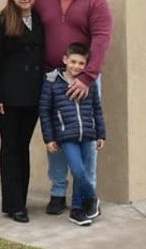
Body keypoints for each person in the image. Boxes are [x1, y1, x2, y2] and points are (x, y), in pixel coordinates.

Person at [34, 0, 112, 216]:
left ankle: (87, 196)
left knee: (86, 142)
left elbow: (101, 38)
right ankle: (58, 193)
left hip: (84, 81)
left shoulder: (96, 0)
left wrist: (87, 77)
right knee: (55, 139)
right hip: (52, 80)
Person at [0, 0, 45, 223]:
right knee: (10, 147)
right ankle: (13, 205)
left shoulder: (39, 20)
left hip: (32, 96)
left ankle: (21, 198)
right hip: (8, 98)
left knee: (23, 146)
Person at [39, 43, 106, 226]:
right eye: (73, 62)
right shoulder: (52, 81)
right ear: (65, 60)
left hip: (88, 134)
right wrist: (49, 138)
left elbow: (97, 109)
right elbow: (45, 111)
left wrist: (101, 133)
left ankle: (76, 211)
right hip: (66, 136)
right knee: (77, 169)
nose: (76, 66)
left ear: (86, 65)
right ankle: (92, 198)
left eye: (81, 63)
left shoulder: (89, 83)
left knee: (81, 172)